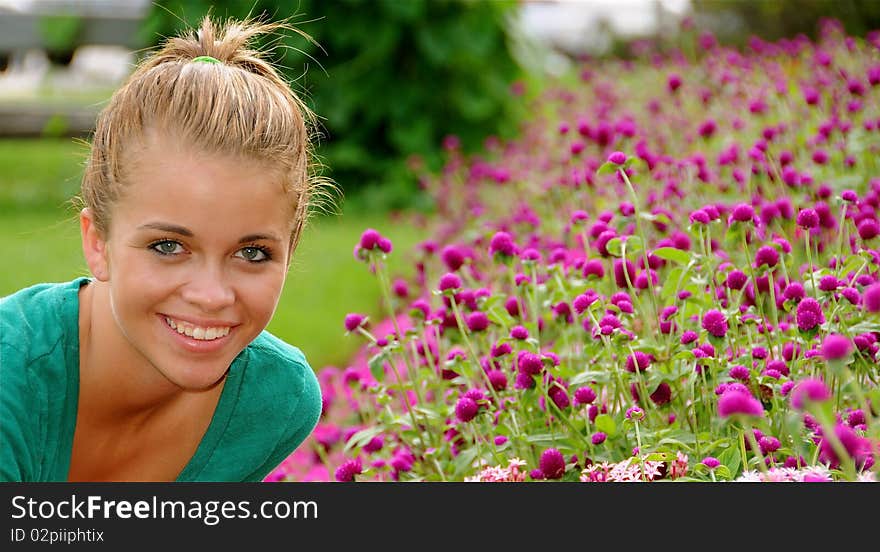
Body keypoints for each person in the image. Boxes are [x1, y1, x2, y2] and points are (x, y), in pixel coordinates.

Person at [0, 15, 331, 482]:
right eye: (168, 246)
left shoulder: (273, 402)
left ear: (290, 250)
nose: (212, 295)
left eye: (252, 253)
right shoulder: (11, 374)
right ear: (98, 243)